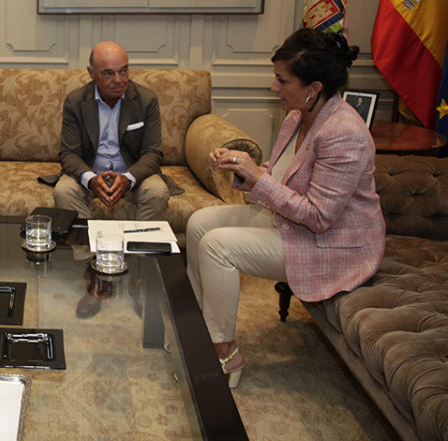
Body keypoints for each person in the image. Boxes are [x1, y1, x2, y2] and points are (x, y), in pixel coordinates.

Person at [186, 28, 385, 389]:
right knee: (199, 222)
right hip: (293, 224)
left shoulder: (344, 134)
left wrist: (257, 179)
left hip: (333, 245)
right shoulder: (297, 117)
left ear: (313, 88)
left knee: (218, 246)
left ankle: (224, 352)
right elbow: (279, 180)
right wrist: (239, 166)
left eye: (283, 80)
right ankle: (200, 330)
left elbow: (320, 217)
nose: (274, 87)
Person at [55, 41, 170, 219]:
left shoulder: (146, 100)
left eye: (123, 70)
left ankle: (141, 245)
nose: (119, 80)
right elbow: (69, 153)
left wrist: (128, 179)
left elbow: (153, 152)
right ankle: (85, 246)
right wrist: (91, 179)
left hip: (134, 173)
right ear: (91, 73)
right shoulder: (76, 101)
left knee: (157, 192)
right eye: (108, 73)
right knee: (64, 191)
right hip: (89, 170)